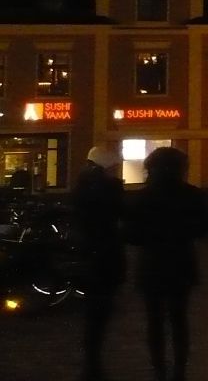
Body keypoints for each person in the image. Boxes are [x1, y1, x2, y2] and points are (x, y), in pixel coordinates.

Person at [123, 146, 208, 381]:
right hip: (180, 262)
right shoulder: (191, 194)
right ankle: (179, 371)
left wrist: (151, 236)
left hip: (152, 264)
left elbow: (131, 235)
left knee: (154, 321)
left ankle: (159, 370)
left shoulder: (142, 197)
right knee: (179, 319)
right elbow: (206, 227)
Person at [70, 145, 127, 381]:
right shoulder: (105, 190)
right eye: (114, 167)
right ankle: (93, 368)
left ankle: (91, 365)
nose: (117, 171)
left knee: (94, 316)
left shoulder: (83, 186)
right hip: (104, 257)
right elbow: (121, 215)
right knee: (99, 314)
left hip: (90, 255)